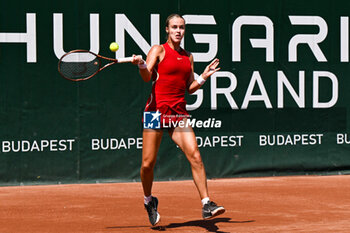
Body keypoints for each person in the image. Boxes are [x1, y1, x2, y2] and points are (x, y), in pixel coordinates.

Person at [132, 13, 225, 226]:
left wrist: (203, 76)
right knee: (147, 164)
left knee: (195, 156)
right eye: (174, 27)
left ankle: (207, 203)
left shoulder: (188, 57)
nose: (178, 31)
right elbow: (147, 77)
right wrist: (141, 65)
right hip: (155, 112)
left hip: (178, 114)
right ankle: (149, 200)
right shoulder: (158, 50)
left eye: (181, 27)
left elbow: (189, 88)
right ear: (167, 29)